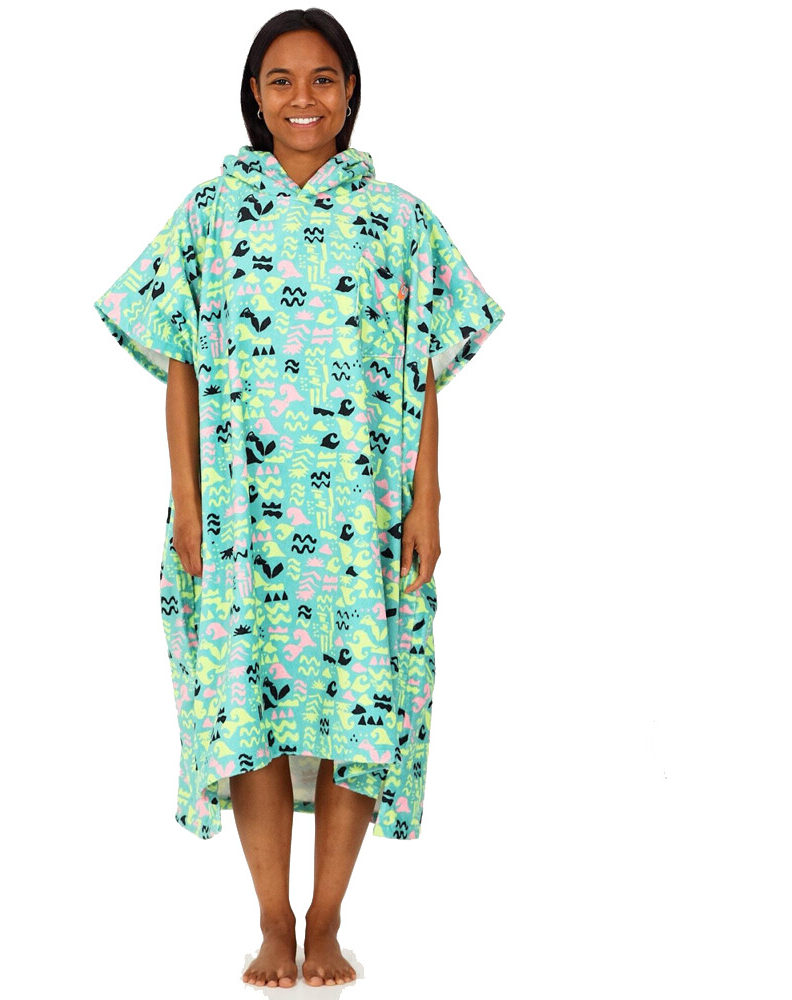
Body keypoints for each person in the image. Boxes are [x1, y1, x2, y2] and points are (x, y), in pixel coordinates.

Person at [93, 7, 505, 988]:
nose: (302, 98)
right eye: (280, 80)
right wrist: (187, 502)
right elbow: (179, 361)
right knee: (251, 708)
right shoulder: (209, 213)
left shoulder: (399, 220)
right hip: (243, 514)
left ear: (350, 92)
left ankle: (327, 920)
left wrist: (428, 502)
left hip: (362, 515)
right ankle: (272, 920)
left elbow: (422, 369)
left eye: (323, 78)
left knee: (360, 704)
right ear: (253, 95)